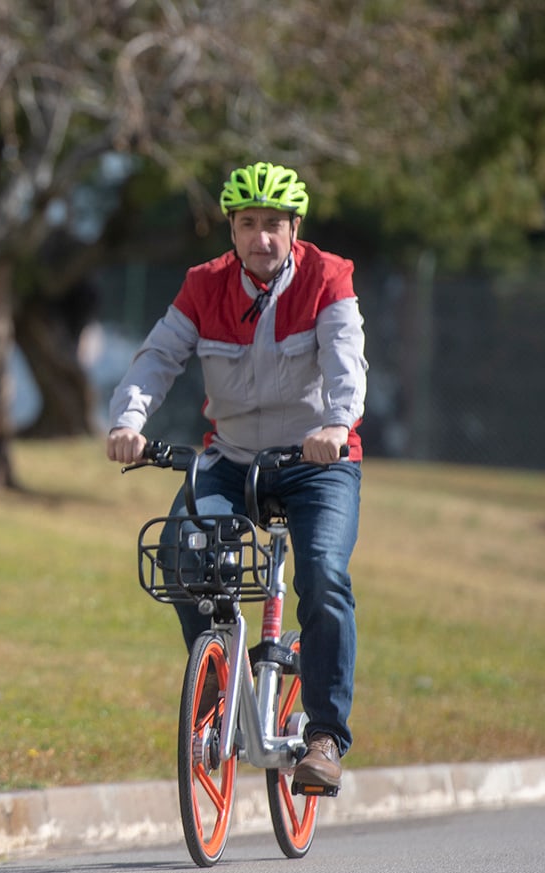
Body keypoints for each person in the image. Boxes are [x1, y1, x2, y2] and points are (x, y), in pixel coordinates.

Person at [104, 161, 366, 792]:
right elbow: (157, 358)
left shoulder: (328, 278)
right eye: (247, 224)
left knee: (325, 576)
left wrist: (335, 425)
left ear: (294, 228)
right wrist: (128, 420)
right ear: (231, 228)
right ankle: (221, 680)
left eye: (273, 224)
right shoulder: (204, 286)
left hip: (315, 466)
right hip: (230, 459)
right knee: (180, 551)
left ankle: (326, 738)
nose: (261, 238)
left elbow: (346, 363)